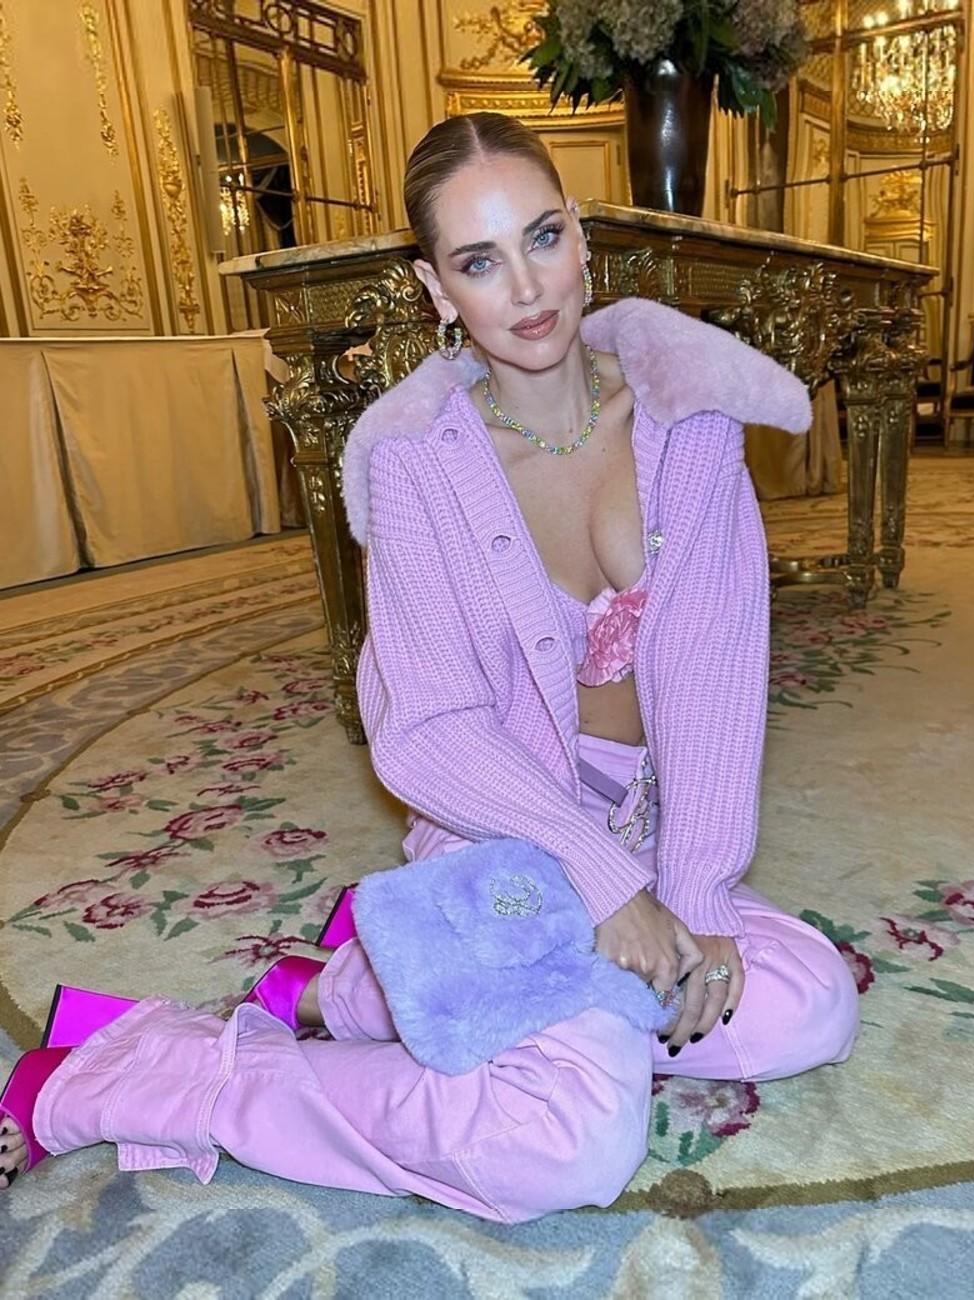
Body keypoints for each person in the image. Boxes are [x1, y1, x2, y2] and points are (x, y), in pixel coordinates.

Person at [0, 113, 858, 1222]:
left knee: (810, 1005)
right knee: (565, 1145)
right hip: (501, 829)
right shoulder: (414, 465)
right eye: (479, 260)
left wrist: (688, 892)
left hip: (647, 834)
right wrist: (602, 886)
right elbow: (427, 728)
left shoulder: (686, 422)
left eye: (542, 237)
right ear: (436, 287)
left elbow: (714, 678)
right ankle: (148, 1071)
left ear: (581, 233)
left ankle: (380, 984)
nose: (528, 288)